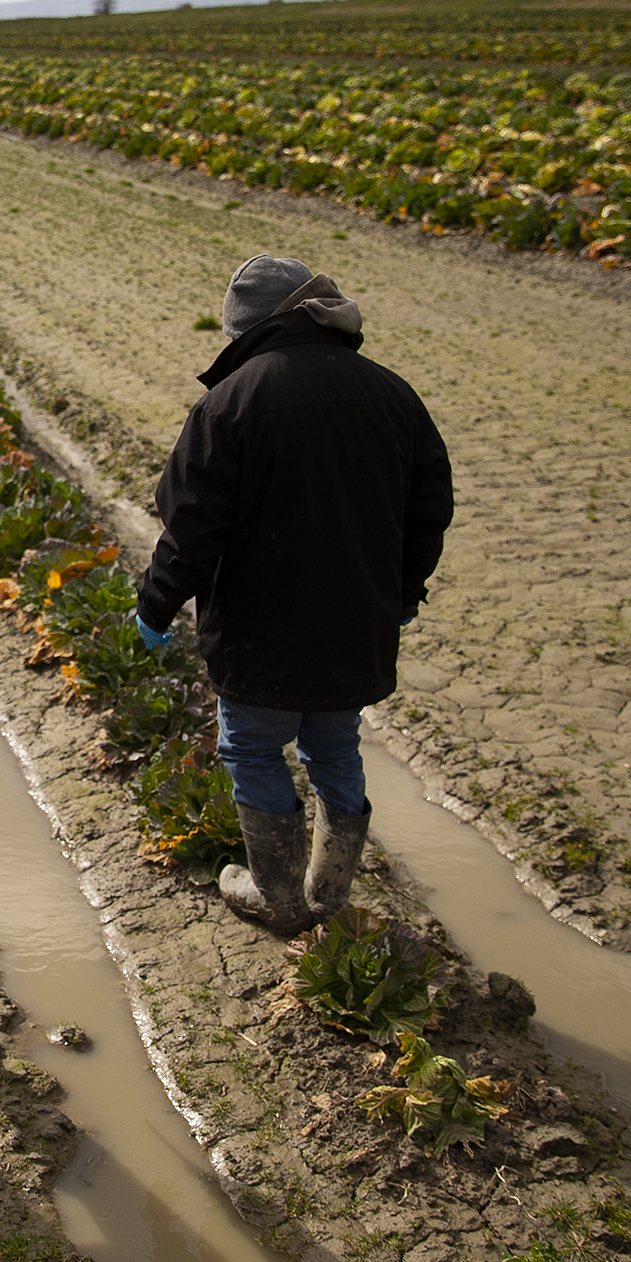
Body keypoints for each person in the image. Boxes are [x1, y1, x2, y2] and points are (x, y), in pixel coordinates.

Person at [135, 256, 454, 935]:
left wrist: (155, 603)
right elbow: (430, 510)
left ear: (250, 329)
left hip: (260, 630)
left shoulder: (229, 403)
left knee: (252, 749)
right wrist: (402, 592)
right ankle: (327, 890)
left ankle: (277, 897)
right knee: (335, 746)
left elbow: (192, 530)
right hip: (354, 624)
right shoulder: (393, 395)